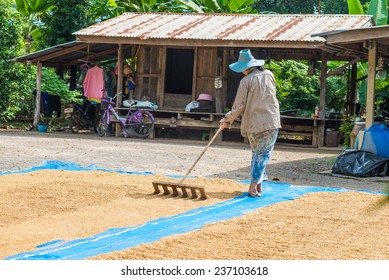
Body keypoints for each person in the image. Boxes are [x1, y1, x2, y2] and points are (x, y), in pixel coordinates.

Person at [220, 49, 281, 197]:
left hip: (255, 124)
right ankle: (254, 187)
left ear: (244, 68)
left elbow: (239, 105)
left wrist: (227, 119)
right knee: (262, 155)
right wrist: (228, 119)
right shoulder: (269, 75)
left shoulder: (246, 81)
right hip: (271, 121)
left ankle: (255, 187)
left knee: (258, 155)